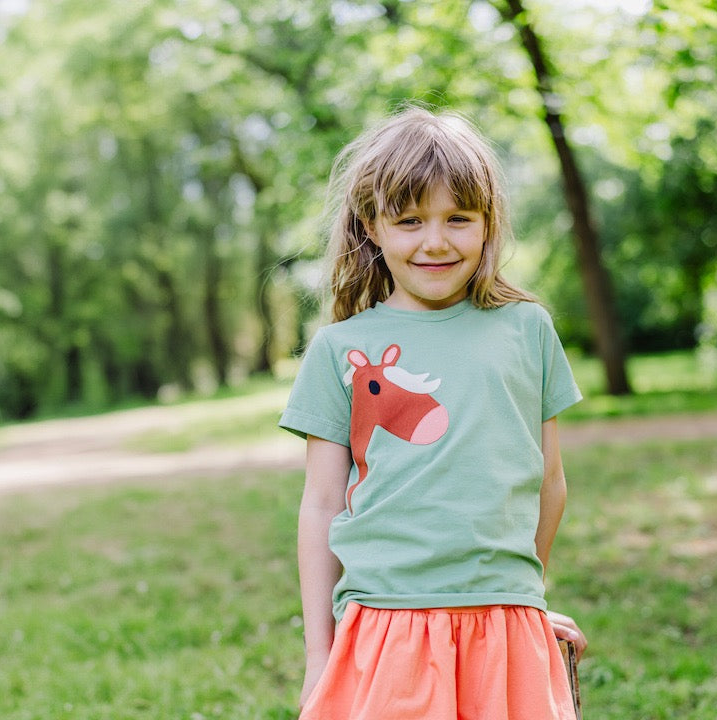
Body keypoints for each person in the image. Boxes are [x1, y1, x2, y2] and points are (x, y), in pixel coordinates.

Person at [280, 105, 587, 719]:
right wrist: (320, 655)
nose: (436, 241)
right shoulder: (340, 351)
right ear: (372, 225)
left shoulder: (527, 329)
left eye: (458, 218)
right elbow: (321, 506)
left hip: (504, 629)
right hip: (386, 624)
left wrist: (521, 597)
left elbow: (549, 483)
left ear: (487, 222)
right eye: (410, 220)